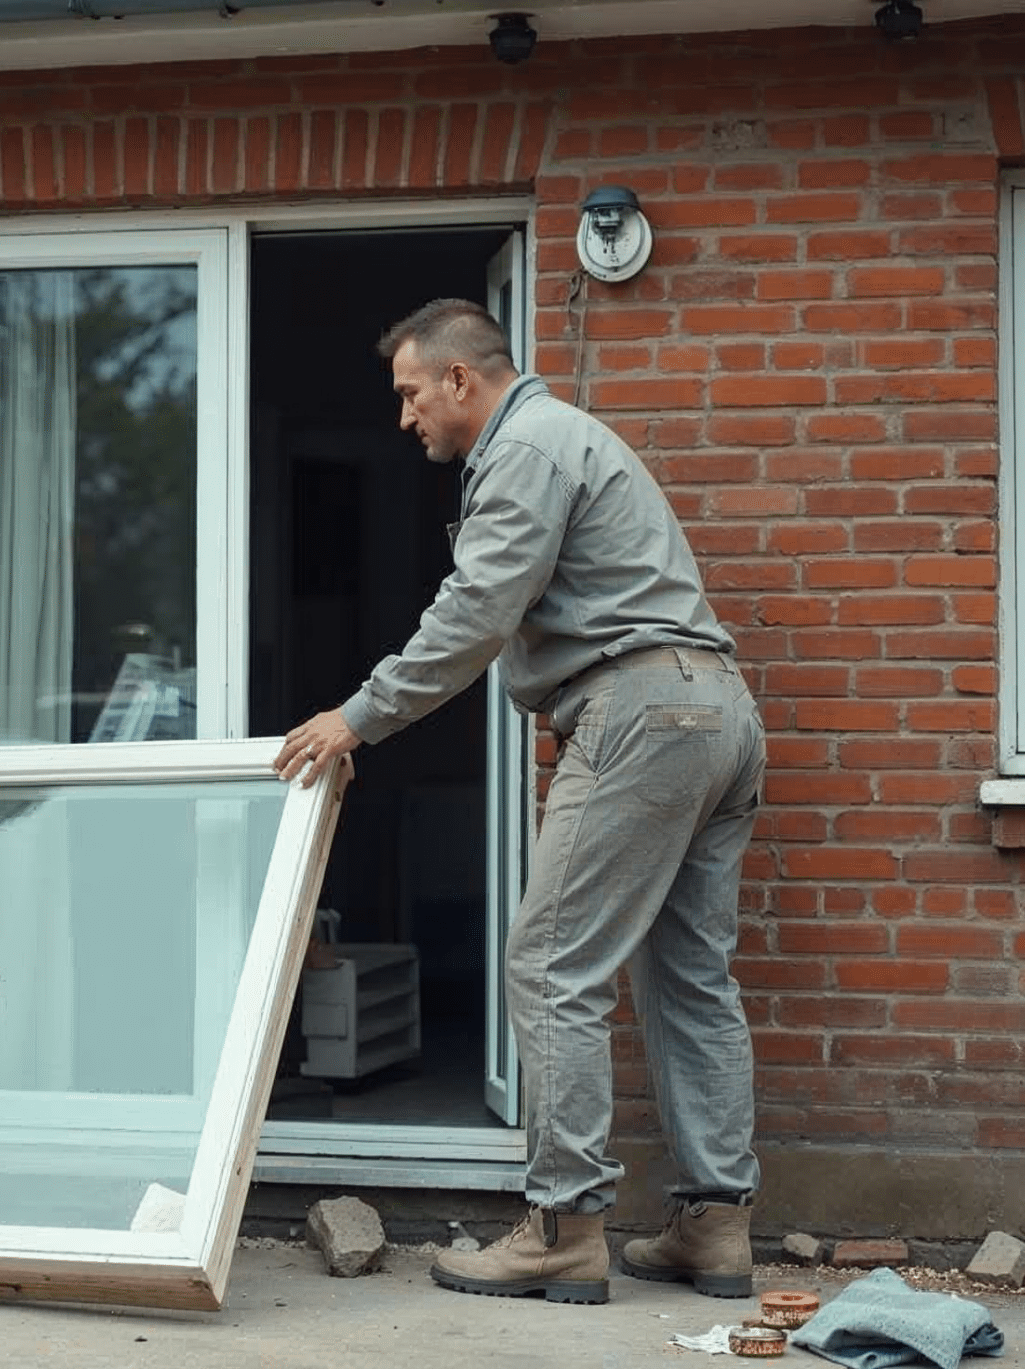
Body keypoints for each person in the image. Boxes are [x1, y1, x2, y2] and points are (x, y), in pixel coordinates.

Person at [272, 299, 765, 1306]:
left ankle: (561, 1226)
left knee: (548, 964)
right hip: (714, 708)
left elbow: (477, 611)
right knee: (689, 977)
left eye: (411, 394)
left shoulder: (525, 447)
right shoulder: (567, 437)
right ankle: (714, 1228)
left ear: (462, 379)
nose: (405, 418)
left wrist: (356, 717)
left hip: (641, 709)